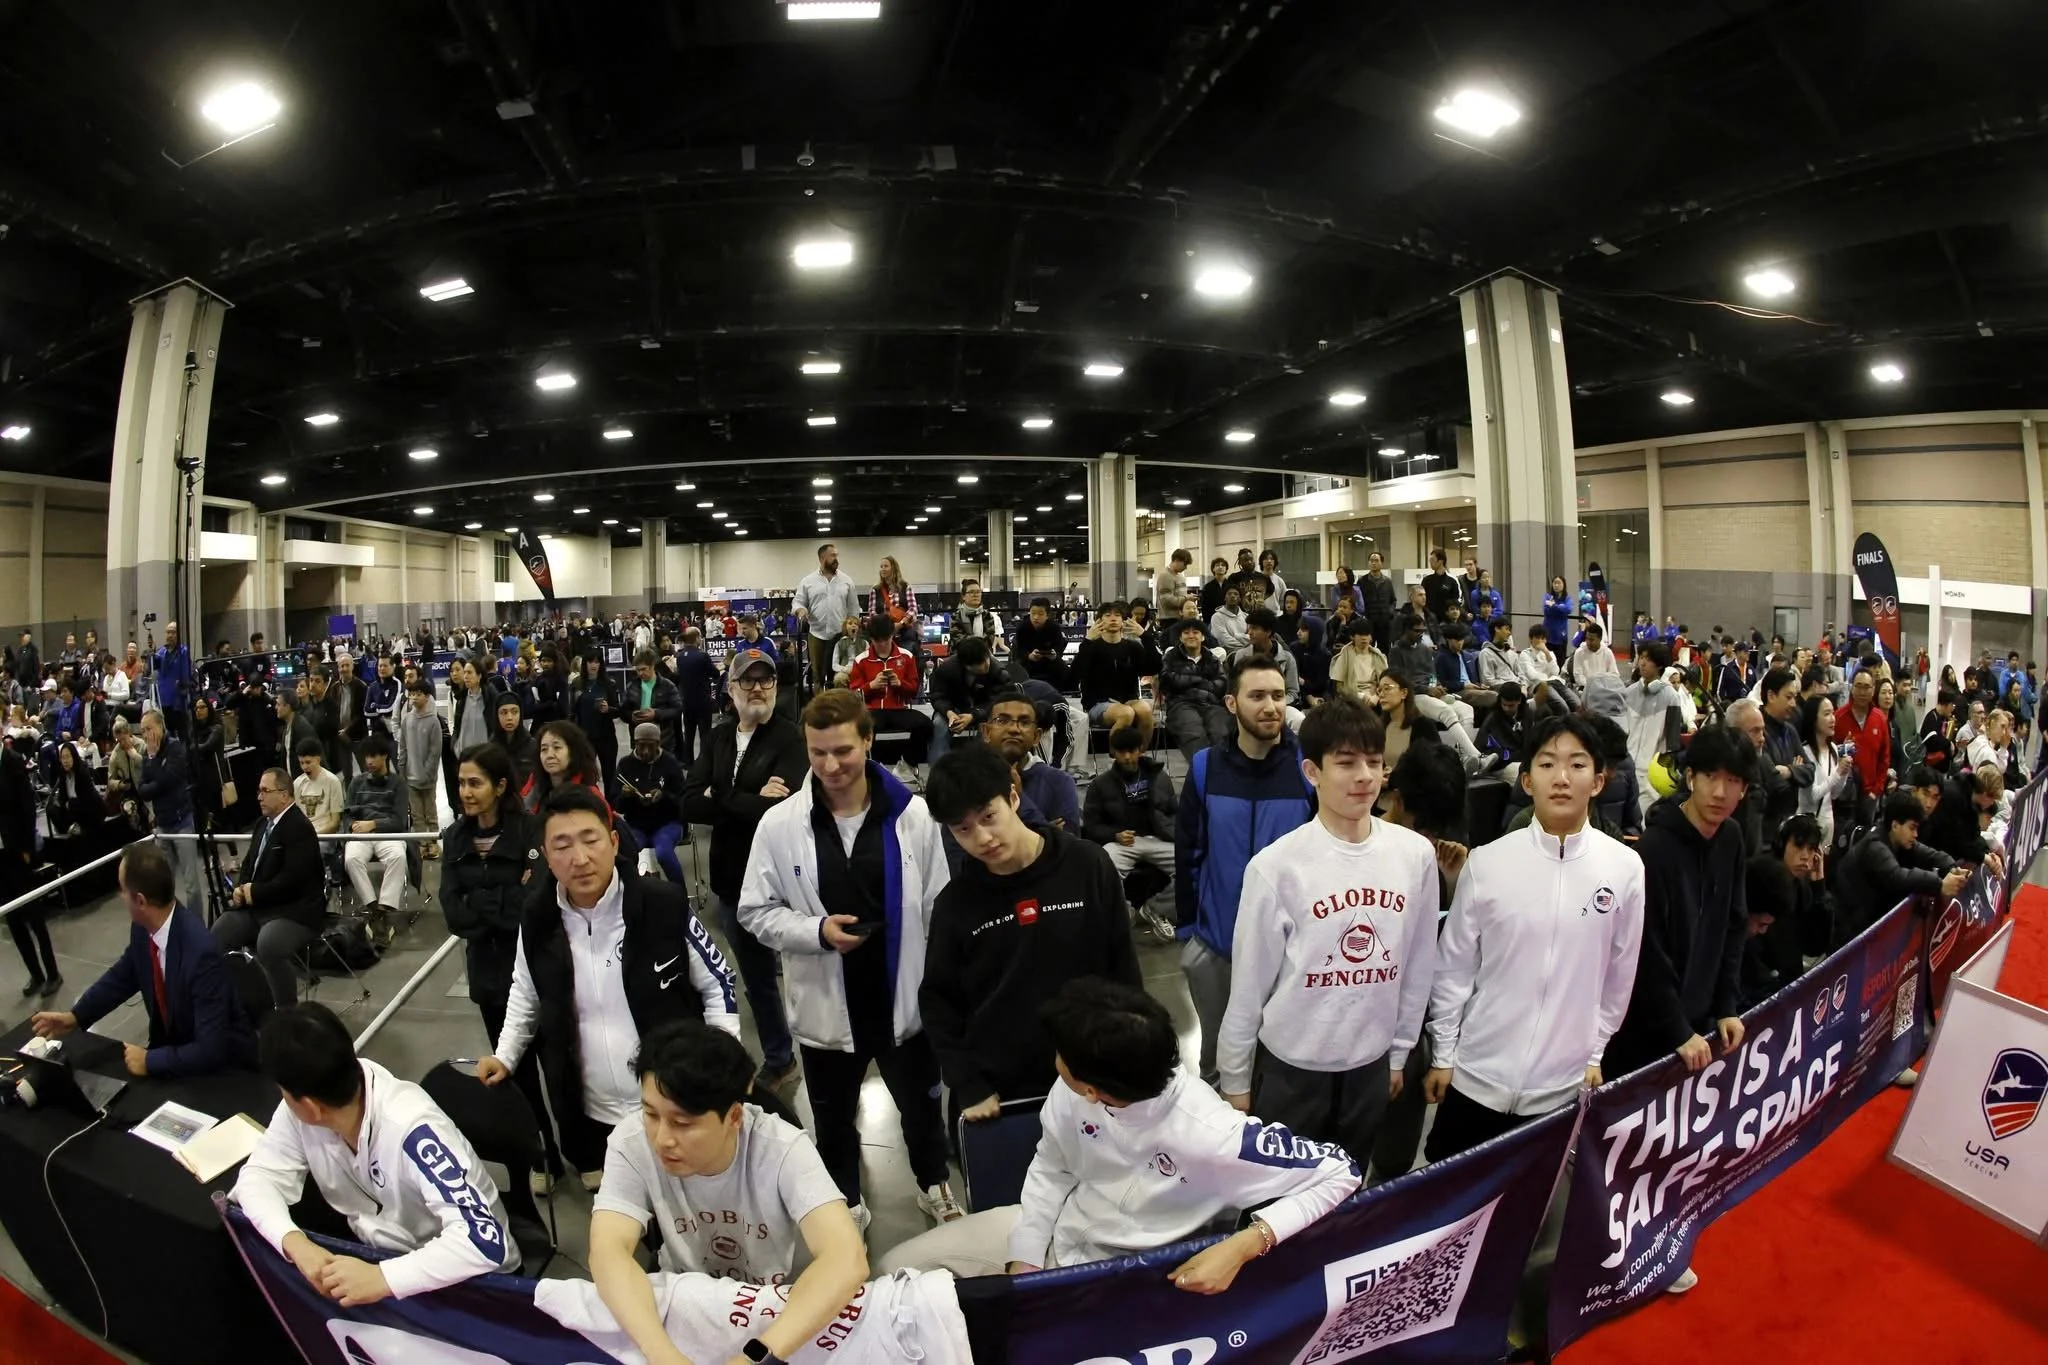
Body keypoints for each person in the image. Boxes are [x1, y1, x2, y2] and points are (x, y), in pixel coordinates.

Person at [880, 978, 1360, 1287]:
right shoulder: (1075, 1090)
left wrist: (1245, 1244)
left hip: (1133, 1277)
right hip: (1056, 1237)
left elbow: (1342, 1172)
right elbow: (1051, 1166)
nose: (1055, 1061)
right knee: (895, 1271)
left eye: (1061, 1057)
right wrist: (1024, 1259)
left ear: (1093, 1089)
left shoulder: (1214, 1135)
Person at [736, 689, 962, 1226]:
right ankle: (848, 1204)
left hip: (902, 1003)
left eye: (843, 751)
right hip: (826, 1011)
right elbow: (754, 910)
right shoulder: (780, 825)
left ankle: (933, 1184)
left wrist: (944, 990)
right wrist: (814, 930)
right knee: (834, 1122)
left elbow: (939, 906)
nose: (831, 765)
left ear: (868, 741)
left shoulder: (916, 817)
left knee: (922, 1111)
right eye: (818, 754)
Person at [479, 784, 739, 1189]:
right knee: (624, 1208)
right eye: (562, 845)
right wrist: (506, 1056)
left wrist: (722, 1061)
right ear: (546, 855)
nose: (579, 859)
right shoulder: (537, 917)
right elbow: (525, 994)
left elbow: (719, 983)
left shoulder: (663, 904)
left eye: (590, 840)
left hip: (672, 1101)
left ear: (614, 841)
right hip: (589, 1108)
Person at [1215, 696, 1437, 1165]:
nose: (1364, 776)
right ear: (1312, 772)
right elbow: (1249, 986)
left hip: (1370, 1064)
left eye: (1374, 763)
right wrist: (1234, 1080)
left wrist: (1397, 1054)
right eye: (1347, 763)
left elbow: (1417, 967)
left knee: (1347, 1187)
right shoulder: (1277, 867)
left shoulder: (1414, 855)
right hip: (1293, 1069)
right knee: (1277, 1201)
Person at [1421, 715, 1644, 1161]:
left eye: (1577, 765)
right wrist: (1444, 1053)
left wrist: (1595, 1052)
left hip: (1559, 1087)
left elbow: (1619, 976)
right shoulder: (1488, 863)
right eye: (1547, 764)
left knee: (1527, 1215)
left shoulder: (1624, 869)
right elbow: (1454, 968)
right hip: (1476, 1077)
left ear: (1598, 782)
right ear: (1527, 780)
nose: (1561, 778)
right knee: (1450, 1211)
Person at [583, 1021, 865, 1365]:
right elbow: (608, 1250)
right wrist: (663, 1355)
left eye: (683, 1123)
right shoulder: (630, 1143)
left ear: (733, 1116)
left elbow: (846, 1259)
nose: (662, 1139)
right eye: (651, 1114)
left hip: (773, 1307)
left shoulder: (782, 1148)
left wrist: (755, 1356)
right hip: (686, 1298)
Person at [1602, 725, 1756, 1295]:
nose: (1720, 790)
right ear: (1688, 777)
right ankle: (1620, 1255)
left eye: (1733, 781)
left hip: (1695, 1024)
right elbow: (1645, 954)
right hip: (1644, 1029)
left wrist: (1725, 1006)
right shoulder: (1654, 851)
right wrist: (1676, 1030)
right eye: (1710, 776)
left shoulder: (1734, 838)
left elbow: (1735, 925)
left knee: (1672, 1142)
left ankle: (1655, 1242)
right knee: (1629, 1147)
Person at [233, 1002, 519, 1304]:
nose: (282, 1098)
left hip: (475, 1282)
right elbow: (257, 1179)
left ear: (310, 1107)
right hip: (387, 1257)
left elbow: (485, 1243)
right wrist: (294, 1242)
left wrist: (383, 1277)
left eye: (283, 1091)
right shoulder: (308, 1107)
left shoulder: (412, 1129)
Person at [921, 744, 1142, 1134]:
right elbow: (939, 1003)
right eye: (963, 829)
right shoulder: (955, 905)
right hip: (1002, 1096)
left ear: (1013, 795)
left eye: (989, 817)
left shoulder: (1087, 865)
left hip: (1094, 1078)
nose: (983, 837)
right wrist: (968, 1084)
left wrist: (1131, 1058)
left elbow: (1123, 968)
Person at [1175, 657, 1313, 1085]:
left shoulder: (1307, 771)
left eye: (1277, 696)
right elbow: (1189, 850)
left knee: (1281, 1064)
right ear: (1233, 704)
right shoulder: (1205, 767)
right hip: (1217, 945)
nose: (1270, 706)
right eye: (1257, 696)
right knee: (1218, 1066)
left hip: (1290, 950)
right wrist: (1190, 930)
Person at [684, 650, 810, 1093]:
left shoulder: (790, 739)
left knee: (794, 977)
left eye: (767, 680)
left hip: (778, 883)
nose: (758, 688)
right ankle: (780, 1057)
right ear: (731, 688)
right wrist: (747, 797)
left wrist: (721, 793)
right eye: (748, 681)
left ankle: (793, 1053)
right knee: (755, 978)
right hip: (731, 880)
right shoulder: (719, 738)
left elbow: (780, 810)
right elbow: (688, 799)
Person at [439, 742, 560, 1189]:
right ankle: (540, 1153)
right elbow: (454, 914)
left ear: (500, 785)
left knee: (560, 1067)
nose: (466, 792)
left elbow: (534, 906)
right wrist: (505, 898)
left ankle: (585, 1150)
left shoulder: (530, 832)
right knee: (517, 1073)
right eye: (461, 783)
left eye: (475, 782)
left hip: (537, 969)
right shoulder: (454, 840)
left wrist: (483, 902)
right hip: (490, 975)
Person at [32, 842, 255, 1075]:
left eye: (122, 889)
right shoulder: (143, 929)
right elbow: (124, 975)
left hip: (217, 1070)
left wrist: (150, 1061)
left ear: (140, 901)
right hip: (174, 1049)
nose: (120, 896)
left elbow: (210, 1050)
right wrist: (76, 1016)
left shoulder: (200, 952)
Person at [214, 767, 325, 1008]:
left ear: (284, 795)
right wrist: (241, 887)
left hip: (296, 911)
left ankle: (286, 1011)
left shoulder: (299, 827)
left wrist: (255, 893)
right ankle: (236, 1002)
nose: (259, 797)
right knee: (219, 933)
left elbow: (294, 880)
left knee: (269, 943)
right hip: (260, 907)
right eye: (259, 791)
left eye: (265, 791)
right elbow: (248, 863)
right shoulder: (262, 825)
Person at [1834, 791, 1971, 944]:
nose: (1916, 834)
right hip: (1849, 932)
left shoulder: (1897, 838)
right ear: (1895, 825)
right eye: (1912, 828)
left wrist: (1952, 868)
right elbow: (1899, 876)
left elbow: (1929, 854)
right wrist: (1940, 884)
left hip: (1867, 921)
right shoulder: (1875, 847)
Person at [1082, 726, 1179, 942]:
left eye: (1131, 751)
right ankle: (1121, 918)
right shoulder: (1100, 784)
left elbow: (1174, 811)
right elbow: (1091, 826)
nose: (1126, 757)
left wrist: (1173, 832)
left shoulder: (1159, 777)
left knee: (1192, 862)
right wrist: (1115, 835)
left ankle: (1156, 908)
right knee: (1104, 867)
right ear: (1113, 752)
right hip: (1121, 843)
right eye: (1121, 751)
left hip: (1158, 838)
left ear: (1141, 750)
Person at [341, 733, 410, 944]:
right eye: (366, 757)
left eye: (374, 756)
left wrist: (374, 824)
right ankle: (373, 908)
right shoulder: (356, 782)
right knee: (351, 859)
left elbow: (400, 821)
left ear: (384, 757)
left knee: (398, 856)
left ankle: (385, 909)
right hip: (361, 834)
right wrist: (352, 825)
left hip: (388, 833)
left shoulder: (398, 784)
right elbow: (348, 813)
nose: (369, 761)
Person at [980, 688, 1079, 830]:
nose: (1014, 729)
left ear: (1036, 736)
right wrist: (1042, 832)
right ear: (986, 732)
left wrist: (1020, 799)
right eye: (1002, 720)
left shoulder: (1059, 782)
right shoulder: (964, 779)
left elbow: (1069, 846)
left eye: (1024, 722)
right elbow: (954, 846)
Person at [137, 708, 204, 914]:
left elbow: (169, 780)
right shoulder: (146, 755)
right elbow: (143, 790)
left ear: (160, 726)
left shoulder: (175, 748)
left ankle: (196, 929)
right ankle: (173, 927)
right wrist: (155, 767)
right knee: (164, 885)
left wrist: (155, 764)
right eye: (142, 731)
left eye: (149, 728)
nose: (146, 735)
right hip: (162, 825)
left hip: (182, 821)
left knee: (191, 884)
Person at [1076, 601, 1155, 749]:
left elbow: (1154, 667)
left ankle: (1138, 755)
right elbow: (1075, 673)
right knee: (1126, 713)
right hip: (1098, 704)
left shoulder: (1132, 647)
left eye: (1117, 615)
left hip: (1128, 700)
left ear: (1123, 621)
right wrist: (1087, 641)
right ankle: (1117, 759)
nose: (1113, 619)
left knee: (1145, 710)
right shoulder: (1092, 647)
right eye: (1108, 615)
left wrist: (1145, 636)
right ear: (1099, 621)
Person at [617, 722, 687, 885]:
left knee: (663, 852)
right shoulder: (625, 764)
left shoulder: (670, 762)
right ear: (634, 744)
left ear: (659, 744)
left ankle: (679, 896)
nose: (646, 751)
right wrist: (625, 796)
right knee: (626, 854)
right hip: (636, 825)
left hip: (668, 822)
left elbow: (684, 798)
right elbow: (616, 805)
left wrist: (664, 797)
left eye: (651, 746)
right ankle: (631, 893)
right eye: (641, 746)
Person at [795, 543, 865, 696]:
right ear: (822, 558)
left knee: (840, 675)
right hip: (816, 634)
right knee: (817, 676)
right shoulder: (808, 581)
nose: (836, 559)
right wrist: (801, 610)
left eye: (836, 555)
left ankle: (839, 706)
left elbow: (853, 608)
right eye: (832, 555)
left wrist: (853, 629)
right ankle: (820, 709)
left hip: (841, 636)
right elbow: (798, 602)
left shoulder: (847, 580)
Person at [1158, 617, 1232, 760]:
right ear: (1180, 637)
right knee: (1194, 734)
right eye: (1186, 632)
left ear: (1203, 636)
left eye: (1196, 632)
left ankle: (1223, 773)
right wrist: (1199, 680)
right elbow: (1167, 679)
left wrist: (1192, 683)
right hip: (1181, 704)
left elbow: (1222, 683)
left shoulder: (1212, 658)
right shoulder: (1171, 657)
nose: (1191, 636)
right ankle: (1201, 773)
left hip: (1210, 704)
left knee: (1221, 732)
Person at [927, 636, 997, 764]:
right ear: (968, 666)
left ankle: (986, 770)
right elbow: (938, 695)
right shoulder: (946, 669)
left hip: (985, 711)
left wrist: (974, 716)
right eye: (981, 662)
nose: (987, 663)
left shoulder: (996, 670)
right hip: (954, 709)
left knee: (990, 728)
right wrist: (949, 712)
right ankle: (940, 773)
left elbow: (999, 700)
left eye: (987, 658)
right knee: (939, 725)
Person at [397, 678, 445, 859]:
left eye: (418, 694)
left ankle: (433, 843)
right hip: (410, 777)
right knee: (416, 815)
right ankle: (421, 844)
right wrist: (402, 770)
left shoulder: (433, 721)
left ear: (427, 697)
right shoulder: (407, 720)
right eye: (411, 694)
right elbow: (403, 747)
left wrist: (428, 773)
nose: (414, 698)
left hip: (428, 779)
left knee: (430, 813)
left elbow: (435, 751)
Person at [674, 628, 719, 765]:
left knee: (689, 733)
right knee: (705, 734)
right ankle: (704, 762)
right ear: (697, 638)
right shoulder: (702, 655)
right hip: (702, 701)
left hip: (686, 701)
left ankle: (688, 762)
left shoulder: (680, 656)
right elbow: (714, 674)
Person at [1014, 597, 1071, 691]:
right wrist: (1029, 656)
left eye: (1040, 614)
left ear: (1047, 615)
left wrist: (1055, 654)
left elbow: (1059, 645)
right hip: (1028, 661)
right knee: (1018, 669)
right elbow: (1019, 649)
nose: (1036, 617)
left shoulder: (1054, 627)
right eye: (1033, 613)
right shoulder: (1022, 627)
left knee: (1064, 670)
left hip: (1049, 661)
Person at [950, 577, 1005, 651]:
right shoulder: (956, 617)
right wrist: (978, 640)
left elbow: (989, 641)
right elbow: (959, 642)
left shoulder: (987, 616)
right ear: (963, 596)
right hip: (961, 656)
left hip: (984, 656)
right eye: (971, 592)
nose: (975, 595)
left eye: (978, 592)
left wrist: (970, 640)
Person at [1155, 550, 1193, 618]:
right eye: (1185, 564)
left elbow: (1179, 596)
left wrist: (1189, 598)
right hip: (1169, 619)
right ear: (1176, 560)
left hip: (1181, 618)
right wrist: (1186, 598)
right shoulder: (1165, 576)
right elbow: (1166, 601)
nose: (1186, 567)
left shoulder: (1180, 577)